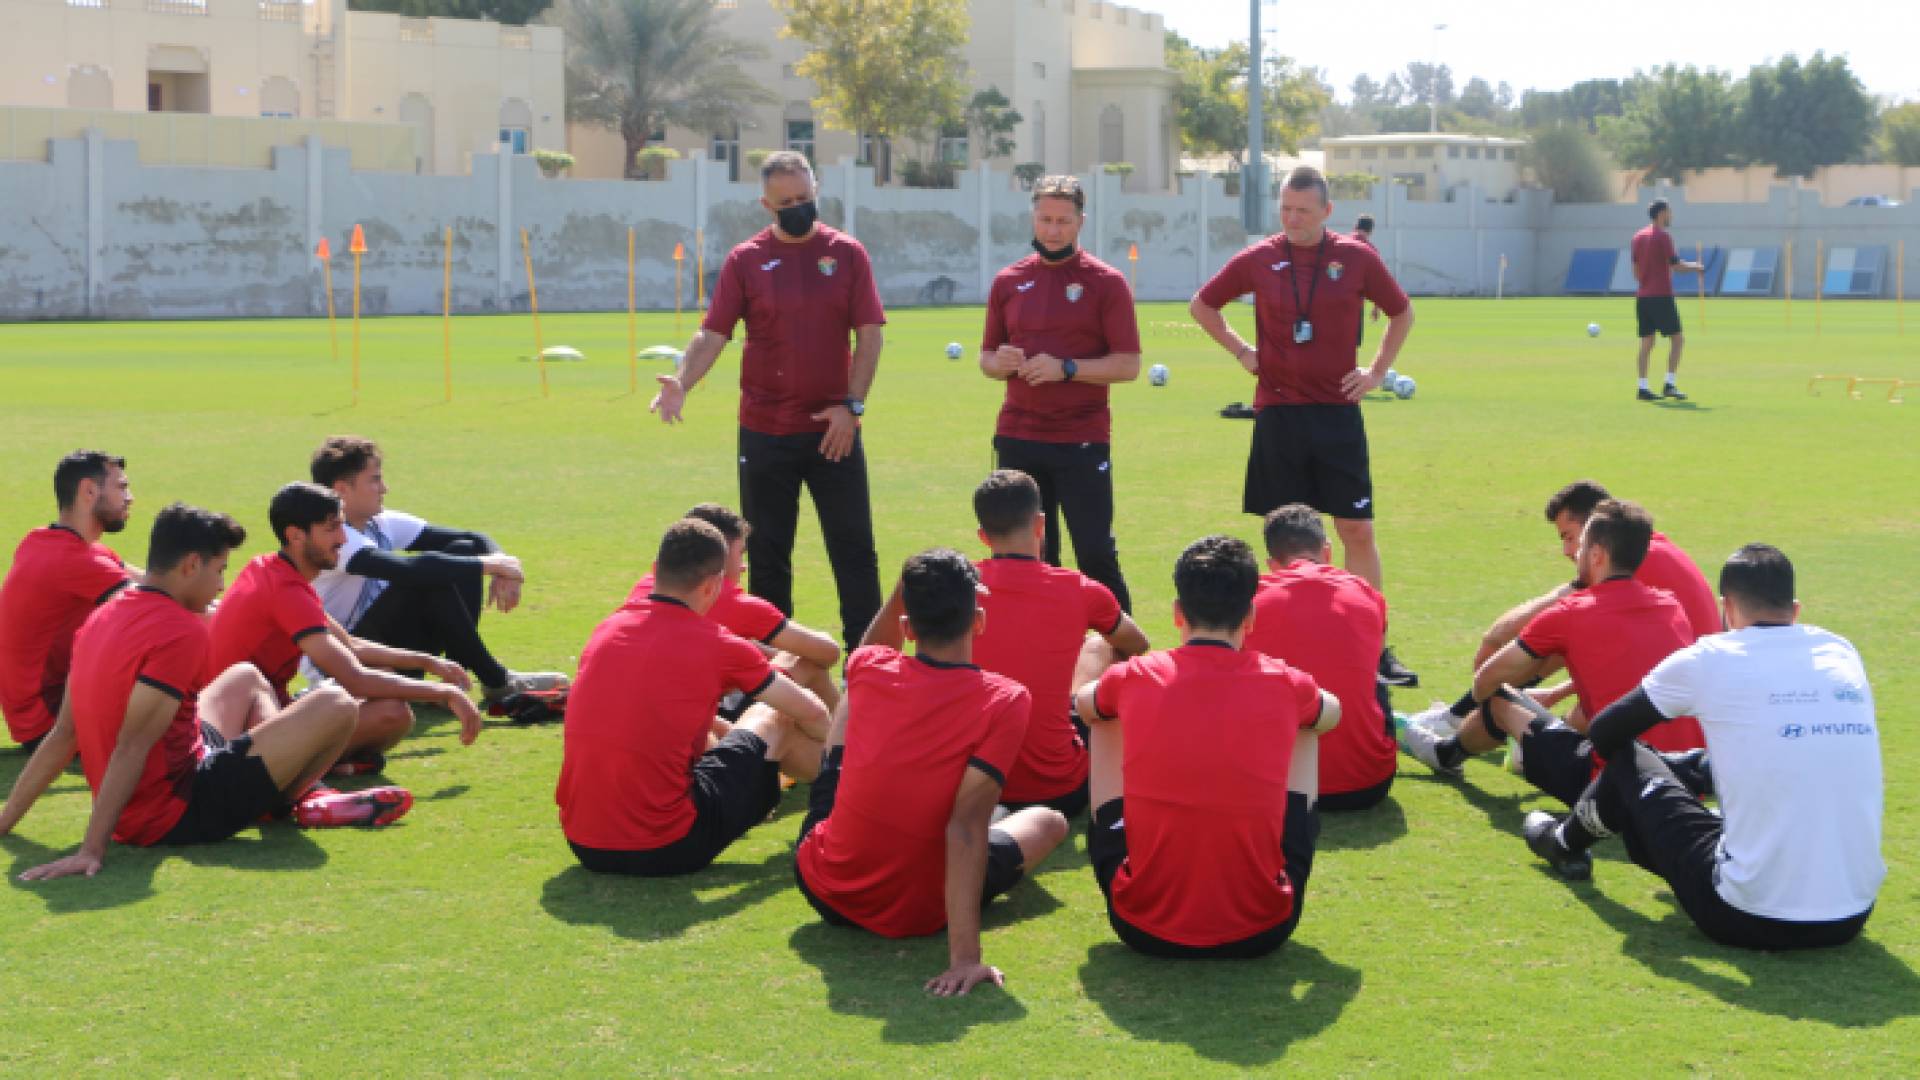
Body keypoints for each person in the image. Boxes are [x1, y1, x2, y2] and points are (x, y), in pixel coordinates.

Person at [0, 503, 410, 881]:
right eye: (219, 570)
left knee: (244, 676)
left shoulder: (104, 613)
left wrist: (5, 820)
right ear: (191, 565)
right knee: (336, 703)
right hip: (175, 810)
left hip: (176, 771)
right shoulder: (181, 631)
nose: (220, 585)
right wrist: (92, 849)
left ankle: (300, 789)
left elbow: (64, 733)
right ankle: (296, 801)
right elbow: (132, 744)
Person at [1523, 544, 1883, 949]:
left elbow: (1607, 733)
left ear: (1726, 608)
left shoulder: (1711, 657)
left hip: (1744, 915)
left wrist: (1667, 768)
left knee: (1630, 760)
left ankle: (1564, 841)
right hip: (1852, 914)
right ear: (1795, 610)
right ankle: (1673, 783)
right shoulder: (1840, 651)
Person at [796, 549, 1069, 997]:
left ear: (907, 626)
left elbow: (871, 649)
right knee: (1049, 822)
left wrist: (903, 590)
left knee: (853, 695)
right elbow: (965, 827)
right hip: (918, 910)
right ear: (977, 621)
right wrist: (966, 960)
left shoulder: (869, 665)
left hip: (825, 888)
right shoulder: (1005, 699)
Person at [1189, 165, 1420, 689]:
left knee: (1355, 529)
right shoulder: (1260, 258)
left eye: (1304, 211)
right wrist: (1243, 352)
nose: (1293, 220)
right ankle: (1279, 639)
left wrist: (1377, 373)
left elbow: (1402, 313)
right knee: (1284, 537)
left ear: (1327, 212)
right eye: (1286, 210)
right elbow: (1203, 306)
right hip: (1278, 412)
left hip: (1338, 413)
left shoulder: (1356, 258)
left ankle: (1374, 645)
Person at [649, 150, 886, 649]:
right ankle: (771, 669)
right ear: (766, 204)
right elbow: (712, 334)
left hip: (834, 432)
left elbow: (869, 334)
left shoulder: (846, 253)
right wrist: (682, 381)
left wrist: (852, 406)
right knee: (769, 556)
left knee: (854, 551)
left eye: (805, 198)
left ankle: (869, 664)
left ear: (816, 191)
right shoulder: (746, 260)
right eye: (786, 202)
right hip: (765, 431)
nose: (798, 208)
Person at [1074, 535, 1339, 959]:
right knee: (1307, 723)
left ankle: (1126, 842)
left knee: (1103, 716)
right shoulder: (1285, 681)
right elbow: (1334, 713)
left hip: (1141, 925)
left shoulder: (1139, 674)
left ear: (1179, 614)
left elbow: (1083, 704)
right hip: (1263, 929)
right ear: (1250, 617)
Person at [860, 471, 1150, 817]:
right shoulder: (1082, 590)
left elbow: (871, 657)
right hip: (1056, 787)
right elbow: (1137, 644)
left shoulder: (954, 586)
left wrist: (901, 593)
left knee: (1094, 650)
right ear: (1040, 524)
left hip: (964, 780)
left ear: (983, 536)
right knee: (1105, 650)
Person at [558, 519, 829, 877]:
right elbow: (809, 711)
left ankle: (835, 795)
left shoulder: (607, 629)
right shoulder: (717, 644)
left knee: (751, 730)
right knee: (779, 721)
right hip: (669, 846)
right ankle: (852, 796)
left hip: (585, 843)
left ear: (656, 571)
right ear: (714, 585)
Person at [1400, 500, 1703, 813]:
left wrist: (1503, 704)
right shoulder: (1671, 606)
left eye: (1580, 544)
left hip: (1613, 791)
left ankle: (1444, 753)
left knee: (1501, 698)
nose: (1571, 554)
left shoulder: (1571, 613)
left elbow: (1487, 679)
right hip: (1683, 781)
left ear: (1597, 556)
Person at [1402, 479, 1719, 738]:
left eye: (1571, 538)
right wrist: (1555, 692)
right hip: (1693, 700)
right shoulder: (1645, 550)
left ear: (1597, 530)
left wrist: (1494, 642)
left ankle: (1456, 721)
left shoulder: (1628, 561)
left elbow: (1521, 630)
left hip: (1680, 706)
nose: (1567, 551)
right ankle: (1470, 721)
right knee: (1557, 651)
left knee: (1541, 649)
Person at [208, 483, 484, 771]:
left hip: (252, 718)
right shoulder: (285, 589)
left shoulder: (272, 569)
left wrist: (427, 662)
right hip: (240, 736)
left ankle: (323, 766)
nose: (342, 538)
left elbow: (351, 645)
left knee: (382, 697)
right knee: (391, 712)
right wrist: (445, 693)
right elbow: (354, 677)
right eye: (331, 529)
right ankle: (307, 770)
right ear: (295, 535)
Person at [979, 174, 1143, 610]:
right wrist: (1003, 363)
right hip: (1019, 436)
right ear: (1032, 218)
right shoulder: (1008, 281)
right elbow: (986, 359)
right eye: (1045, 219)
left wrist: (1066, 369)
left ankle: (1122, 656)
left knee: (1094, 553)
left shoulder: (1106, 282)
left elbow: (1128, 365)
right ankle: (1038, 652)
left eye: (1063, 221)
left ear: (1081, 222)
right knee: (1028, 558)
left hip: (1081, 440)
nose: (1053, 230)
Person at [306, 435, 566, 707]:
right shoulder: (333, 537)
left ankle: (455, 679)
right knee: (431, 575)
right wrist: (490, 566)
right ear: (341, 491)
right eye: (374, 480)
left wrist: (503, 564)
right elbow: (409, 570)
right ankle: (497, 680)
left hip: (387, 651)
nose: (385, 488)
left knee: (461, 552)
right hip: (345, 665)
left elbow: (473, 540)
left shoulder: (378, 523)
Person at [623, 503, 843, 716]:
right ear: (721, 555)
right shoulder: (737, 604)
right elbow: (827, 653)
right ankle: (845, 742)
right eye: (741, 554)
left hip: (644, 709)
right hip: (696, 715)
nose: (744, 566)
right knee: (805, 666)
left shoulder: (650, 583)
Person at [1250, 504, 1394, 812]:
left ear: (1273, 563)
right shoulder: (1366, 593)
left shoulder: (1251, 600)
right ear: (1326, 551)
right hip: (1368, 784)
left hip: (1281, 788)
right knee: (1375, 678)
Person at [0, 450, 135, 753]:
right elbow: (155, 607)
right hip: (48, 724)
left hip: (38, 713)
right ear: (89, 491)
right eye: (122, 487)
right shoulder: (73, 559)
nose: (130, 497)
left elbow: (156, 581)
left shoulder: (44, 541)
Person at [1630, 197, 1703, 402]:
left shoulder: (1637, 237)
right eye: (1669, 212)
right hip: (1661, 296)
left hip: (1642, 297)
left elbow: (1636, 272)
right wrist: (1696, 267)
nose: (1671, 216)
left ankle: (1642, 387)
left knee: (1646, 342)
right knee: (1678, 339)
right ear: (1662, 213)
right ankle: (1669, 384)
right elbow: (1677, 266)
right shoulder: (1663, 237)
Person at [1351, 214, 1381, 347]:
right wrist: (1376, 307)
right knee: (1352, 344)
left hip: (1331, 302)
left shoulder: (1339, 242)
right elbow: (1376, 281)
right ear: (1371, 231)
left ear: (1355, 226)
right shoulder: (1372, 250)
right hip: (1356, 303)